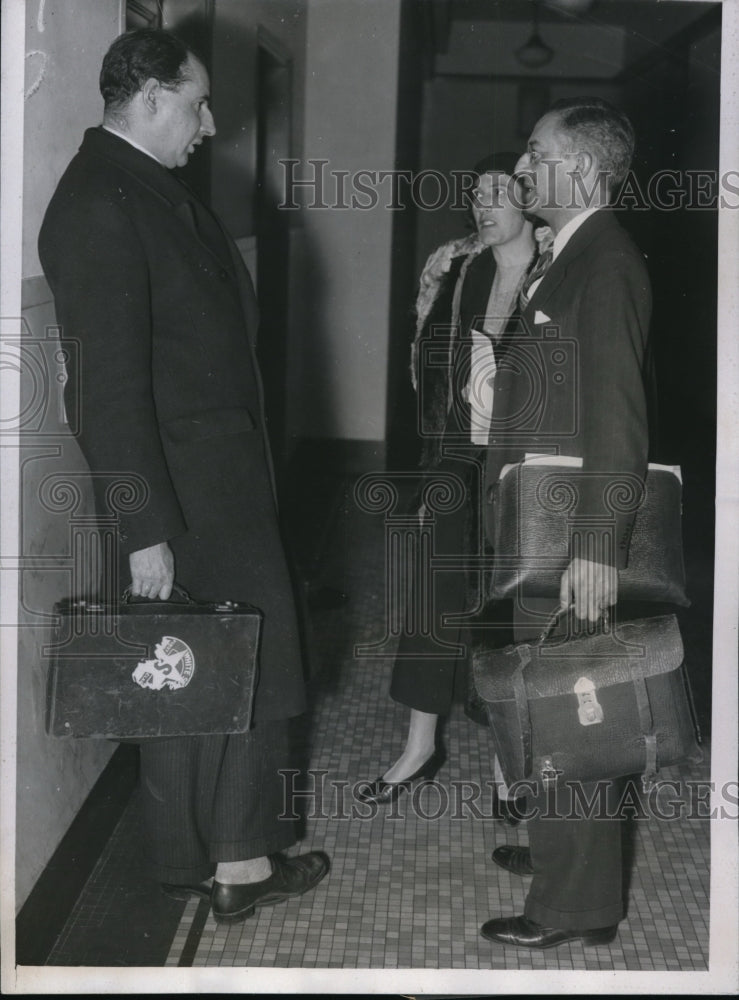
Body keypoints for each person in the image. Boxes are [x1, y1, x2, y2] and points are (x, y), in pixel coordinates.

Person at [38, 28, 328, 925]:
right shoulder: (97, 202)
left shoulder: (148, 189)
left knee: (246, 671)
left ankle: (238, 858)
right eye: (198, 102)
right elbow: (103, 389)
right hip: (182, 497)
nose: (210, 122)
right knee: (188, 678)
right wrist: (143, 531)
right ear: (152, 96)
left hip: (220, 485)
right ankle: (208, 865)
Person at [479, 98, 652, 950]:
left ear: (581, 169)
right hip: (534, 522)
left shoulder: (606, 262)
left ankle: (575, 907)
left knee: (576, 709)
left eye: (536, 150)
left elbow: (617, 418)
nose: (521, 163)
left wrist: (597, 546)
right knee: (545, 700)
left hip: (568, 530)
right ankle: (562, 857)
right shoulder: (567, 252)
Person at [358, 153, 548, 808]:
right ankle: (418, 746)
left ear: (529, 197)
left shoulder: (556, 271)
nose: (481, 205)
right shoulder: (460, 271)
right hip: (461, 454)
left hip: (525, 464)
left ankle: (507, 761)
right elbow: (434, 381)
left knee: (508, 607)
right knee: (433, 592)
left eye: (496, 192)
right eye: (474, 195)